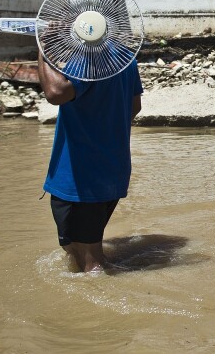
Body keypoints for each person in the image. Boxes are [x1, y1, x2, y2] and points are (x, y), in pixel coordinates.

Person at [38, 50, 143, 272]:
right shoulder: (126, 58)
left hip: (80, 176)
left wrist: (43, 49)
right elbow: (135, 107)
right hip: (112, 171)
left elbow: (55, 92)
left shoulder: (86, 62)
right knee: (75, 249)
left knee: (91, 260)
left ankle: (100, 302)